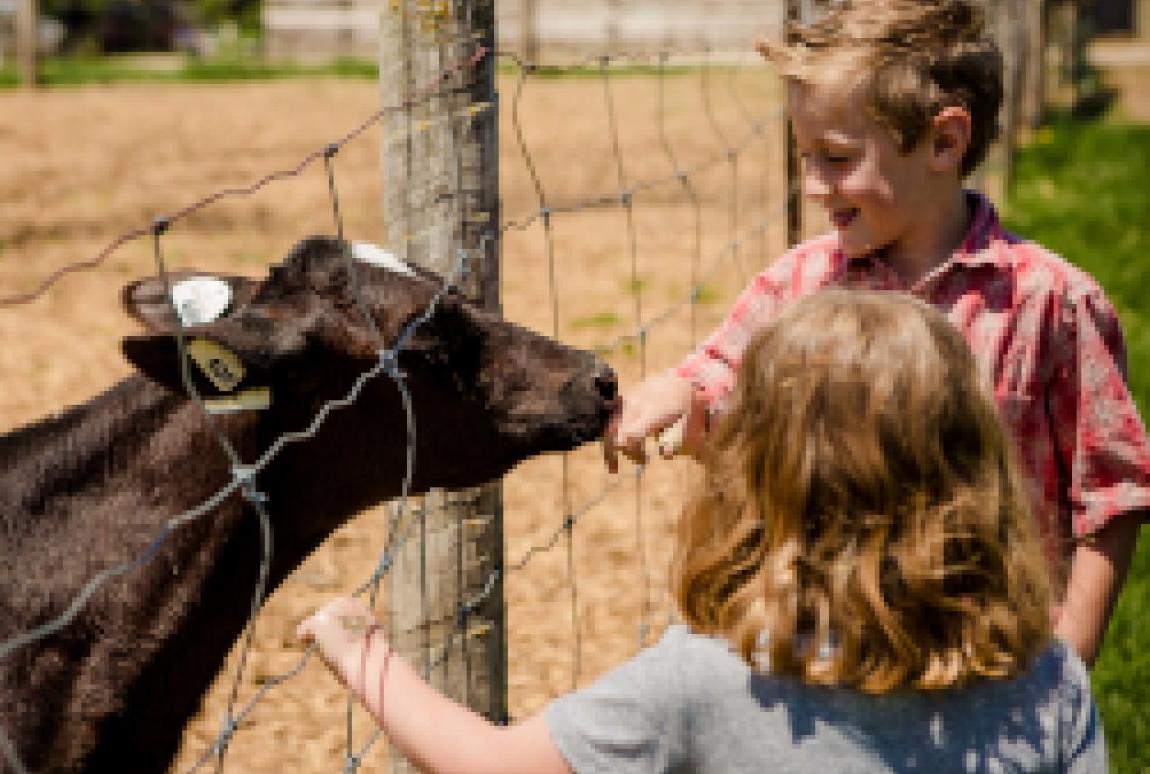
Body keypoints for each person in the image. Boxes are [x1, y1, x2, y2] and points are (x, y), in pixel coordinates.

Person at [300, 290, 1107, 774]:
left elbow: (486, 765)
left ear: (758, 471)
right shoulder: (1045, 681)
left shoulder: (718, 679)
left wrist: (357, 649)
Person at [605, 0, 1148, 667]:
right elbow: (717, 386)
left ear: (945, 143)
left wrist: (1071, 655)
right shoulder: (797, 287)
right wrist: (677, 401)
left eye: (834, 158)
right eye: (805, 156)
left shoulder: (1050, 304)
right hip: (831, 667)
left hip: (993, 670)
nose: (810, 187)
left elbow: (1112, 495)